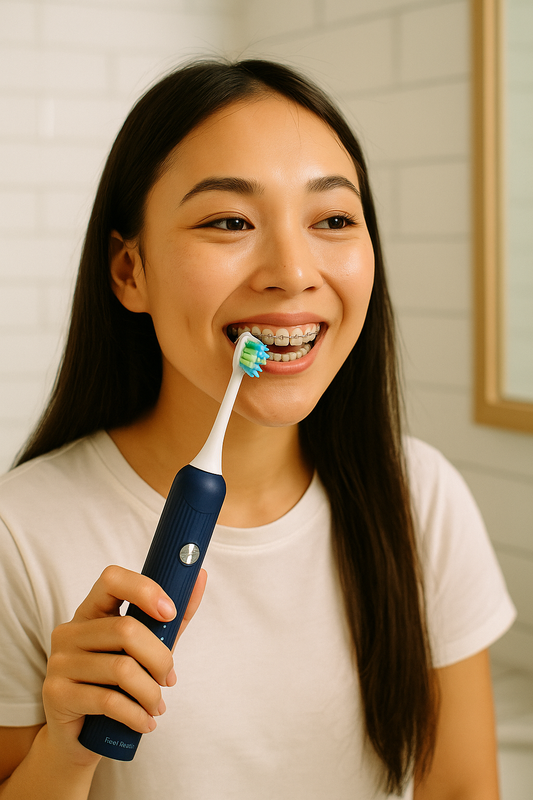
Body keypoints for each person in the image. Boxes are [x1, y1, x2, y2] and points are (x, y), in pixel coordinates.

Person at [0, 59, 515, 800]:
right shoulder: (20, 532)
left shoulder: (418, 496)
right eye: (229, 221)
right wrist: (68, 749)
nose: (293, 270)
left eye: (333, 219)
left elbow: (462, 789)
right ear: (129, 271)